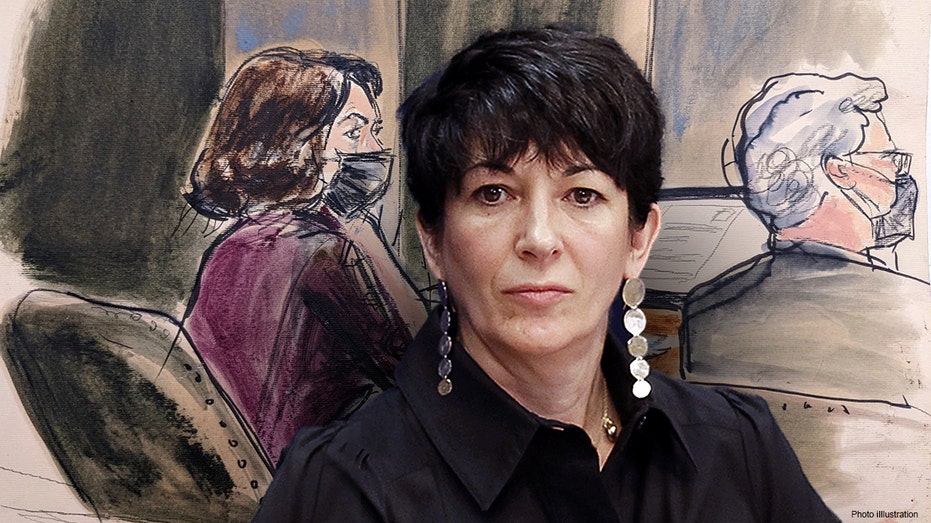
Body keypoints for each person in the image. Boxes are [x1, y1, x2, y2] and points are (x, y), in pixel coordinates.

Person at [253, 27, 838, 521]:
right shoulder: (337, 486)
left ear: (638, 239)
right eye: (493, 193)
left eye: (582, 195)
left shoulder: (739, 446)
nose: (538, 239)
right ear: (434, 241)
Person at [183, 47, 428, 466]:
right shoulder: (322, 251)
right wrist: (361, 233)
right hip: (309, 482)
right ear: (295, 144)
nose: (375, 147)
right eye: (354, 132)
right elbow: (429, 375)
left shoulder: (231, 248)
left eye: (374, 130)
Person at [683, 73, 929, 403]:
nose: (898, 172)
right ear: (840, 170)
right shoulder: (915, 313)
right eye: (890, 157)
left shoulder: (703, 308)